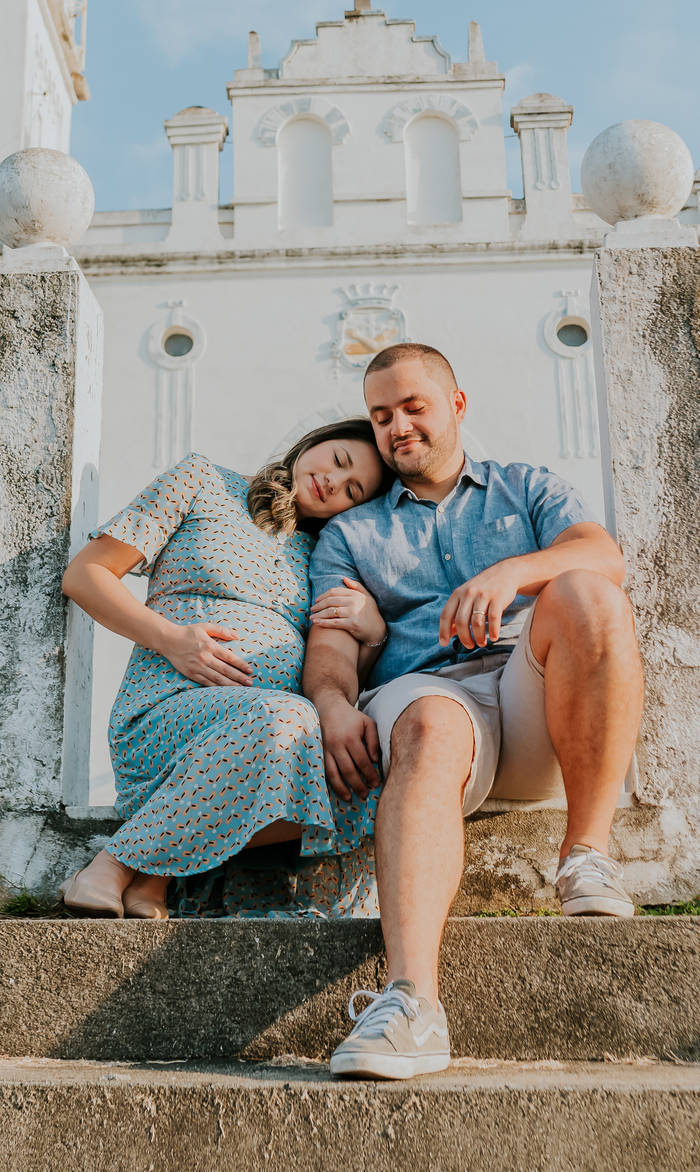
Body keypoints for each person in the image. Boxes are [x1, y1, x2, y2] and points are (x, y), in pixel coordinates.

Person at [303, 343, 645, 1080]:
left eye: (413, 407)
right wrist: (330, 704)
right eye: (381, 415)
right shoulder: (350, 534)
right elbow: (330, 644)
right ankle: (411, 1002)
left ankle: (587, 853)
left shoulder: (526, 487)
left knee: (588, 593)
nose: (397, 427)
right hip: (430, 702)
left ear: (456, 405)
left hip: (535, 696)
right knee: (429, 723)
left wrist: (513, 571)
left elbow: (603, 554)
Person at [58, 422, 393, 920]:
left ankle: (152, 877)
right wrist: (170, 639)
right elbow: (85, 575)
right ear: (314, 443)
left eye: (352, 491)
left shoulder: (324, 555)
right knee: (287, 718)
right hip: (168, 712)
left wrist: (373, 633)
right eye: (339, 461)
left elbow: (334, 678)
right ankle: (110, 865)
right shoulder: (203, 480)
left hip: (277, 738)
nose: (333, 482)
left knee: (370, 776)